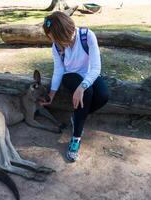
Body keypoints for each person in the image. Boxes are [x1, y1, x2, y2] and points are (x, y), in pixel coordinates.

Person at [40, 11, 109, 162]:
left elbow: (96, 68)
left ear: (65, 33)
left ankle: (77, 117)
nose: (55, 43)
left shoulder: (87, 36)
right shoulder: (56, 47)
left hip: (89, 73)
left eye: (56, 39)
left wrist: (81, 86)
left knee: (104, 96)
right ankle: (76, 138)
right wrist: (52, 93)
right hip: (69, 75)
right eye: (52, 40)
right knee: (87, 93)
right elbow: (59, 70)